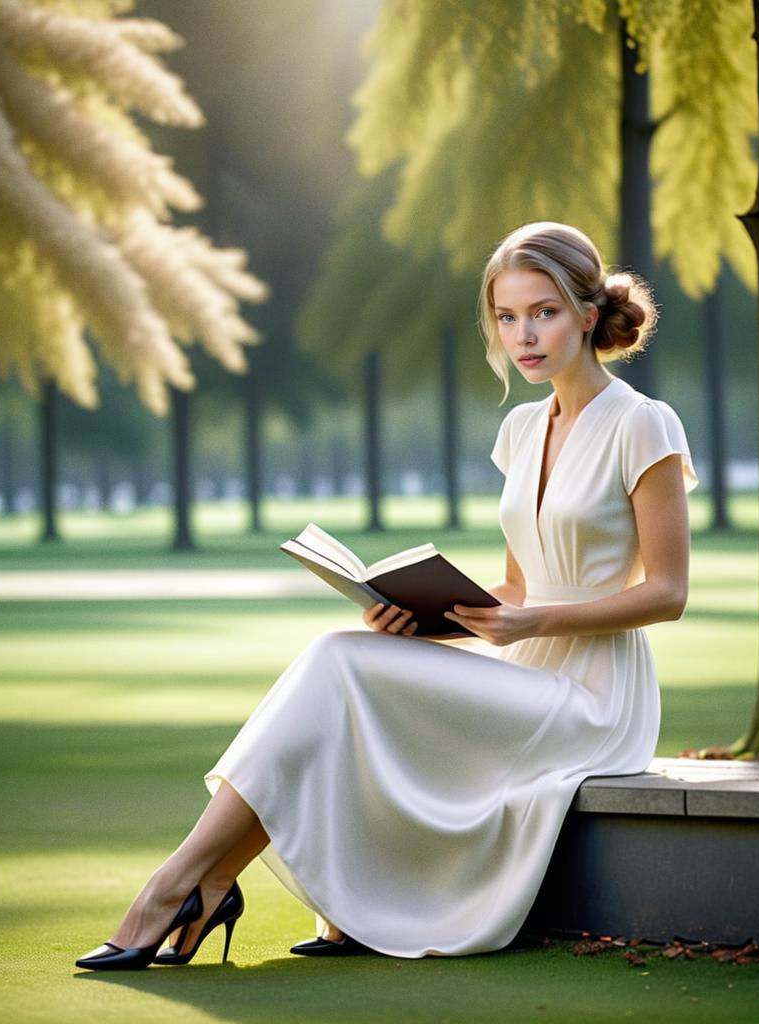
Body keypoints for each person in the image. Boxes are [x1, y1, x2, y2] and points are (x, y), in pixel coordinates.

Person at [75, 221, 697, 970]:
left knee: (340, 669)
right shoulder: (524, 430)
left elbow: (667, 593)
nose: (524, 334)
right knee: (349, 651)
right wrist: (417, 620)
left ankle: (173, 888)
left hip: (596, 701)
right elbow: (512, 590)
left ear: (588, 313)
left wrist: (534, 619)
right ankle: (211, 880)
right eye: (507, 317)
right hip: (524, 672)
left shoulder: (643, 424)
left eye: (545, 312)